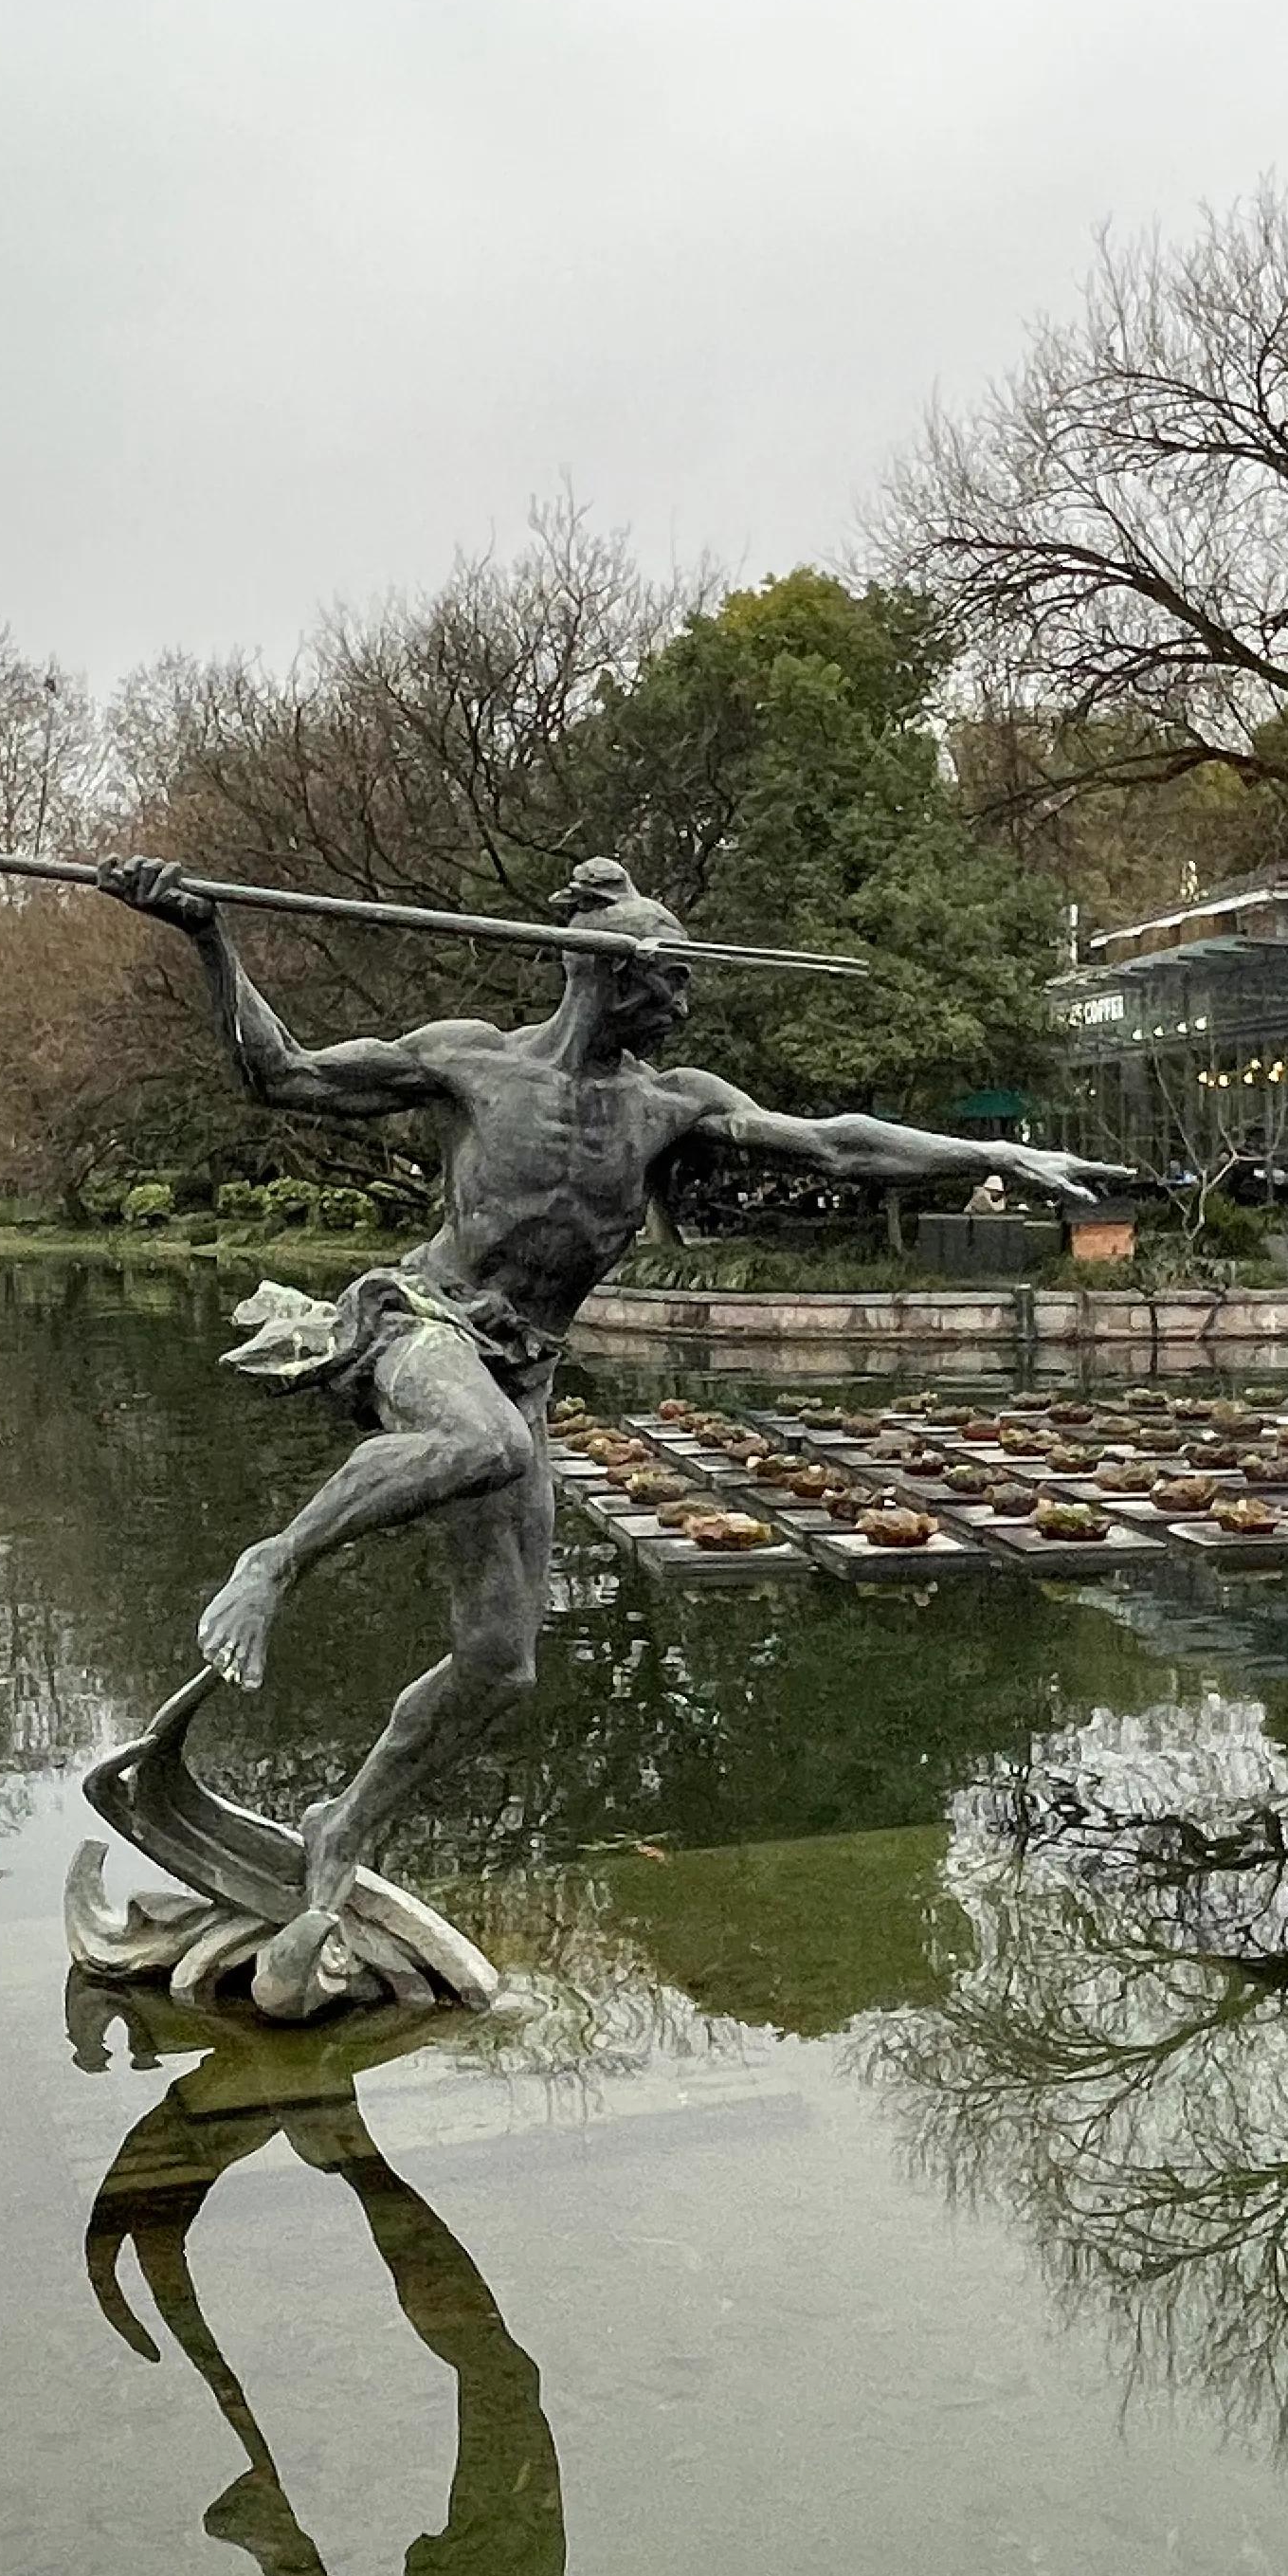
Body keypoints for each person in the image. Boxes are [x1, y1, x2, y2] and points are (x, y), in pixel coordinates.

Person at [98, 849, 1130, 2017]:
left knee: (499, 1663)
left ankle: (343, 1826)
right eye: (670, 977)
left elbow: (838, 1141)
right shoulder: (469, 1060)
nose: (685, 1000)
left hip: (522, 1370)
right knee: (490, 1446)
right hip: (422, 1324)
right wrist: (205, 931)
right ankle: (271, 1562)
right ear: (607, 971)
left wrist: (992, 1154)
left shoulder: (666, 1106)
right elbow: (278, 1075)